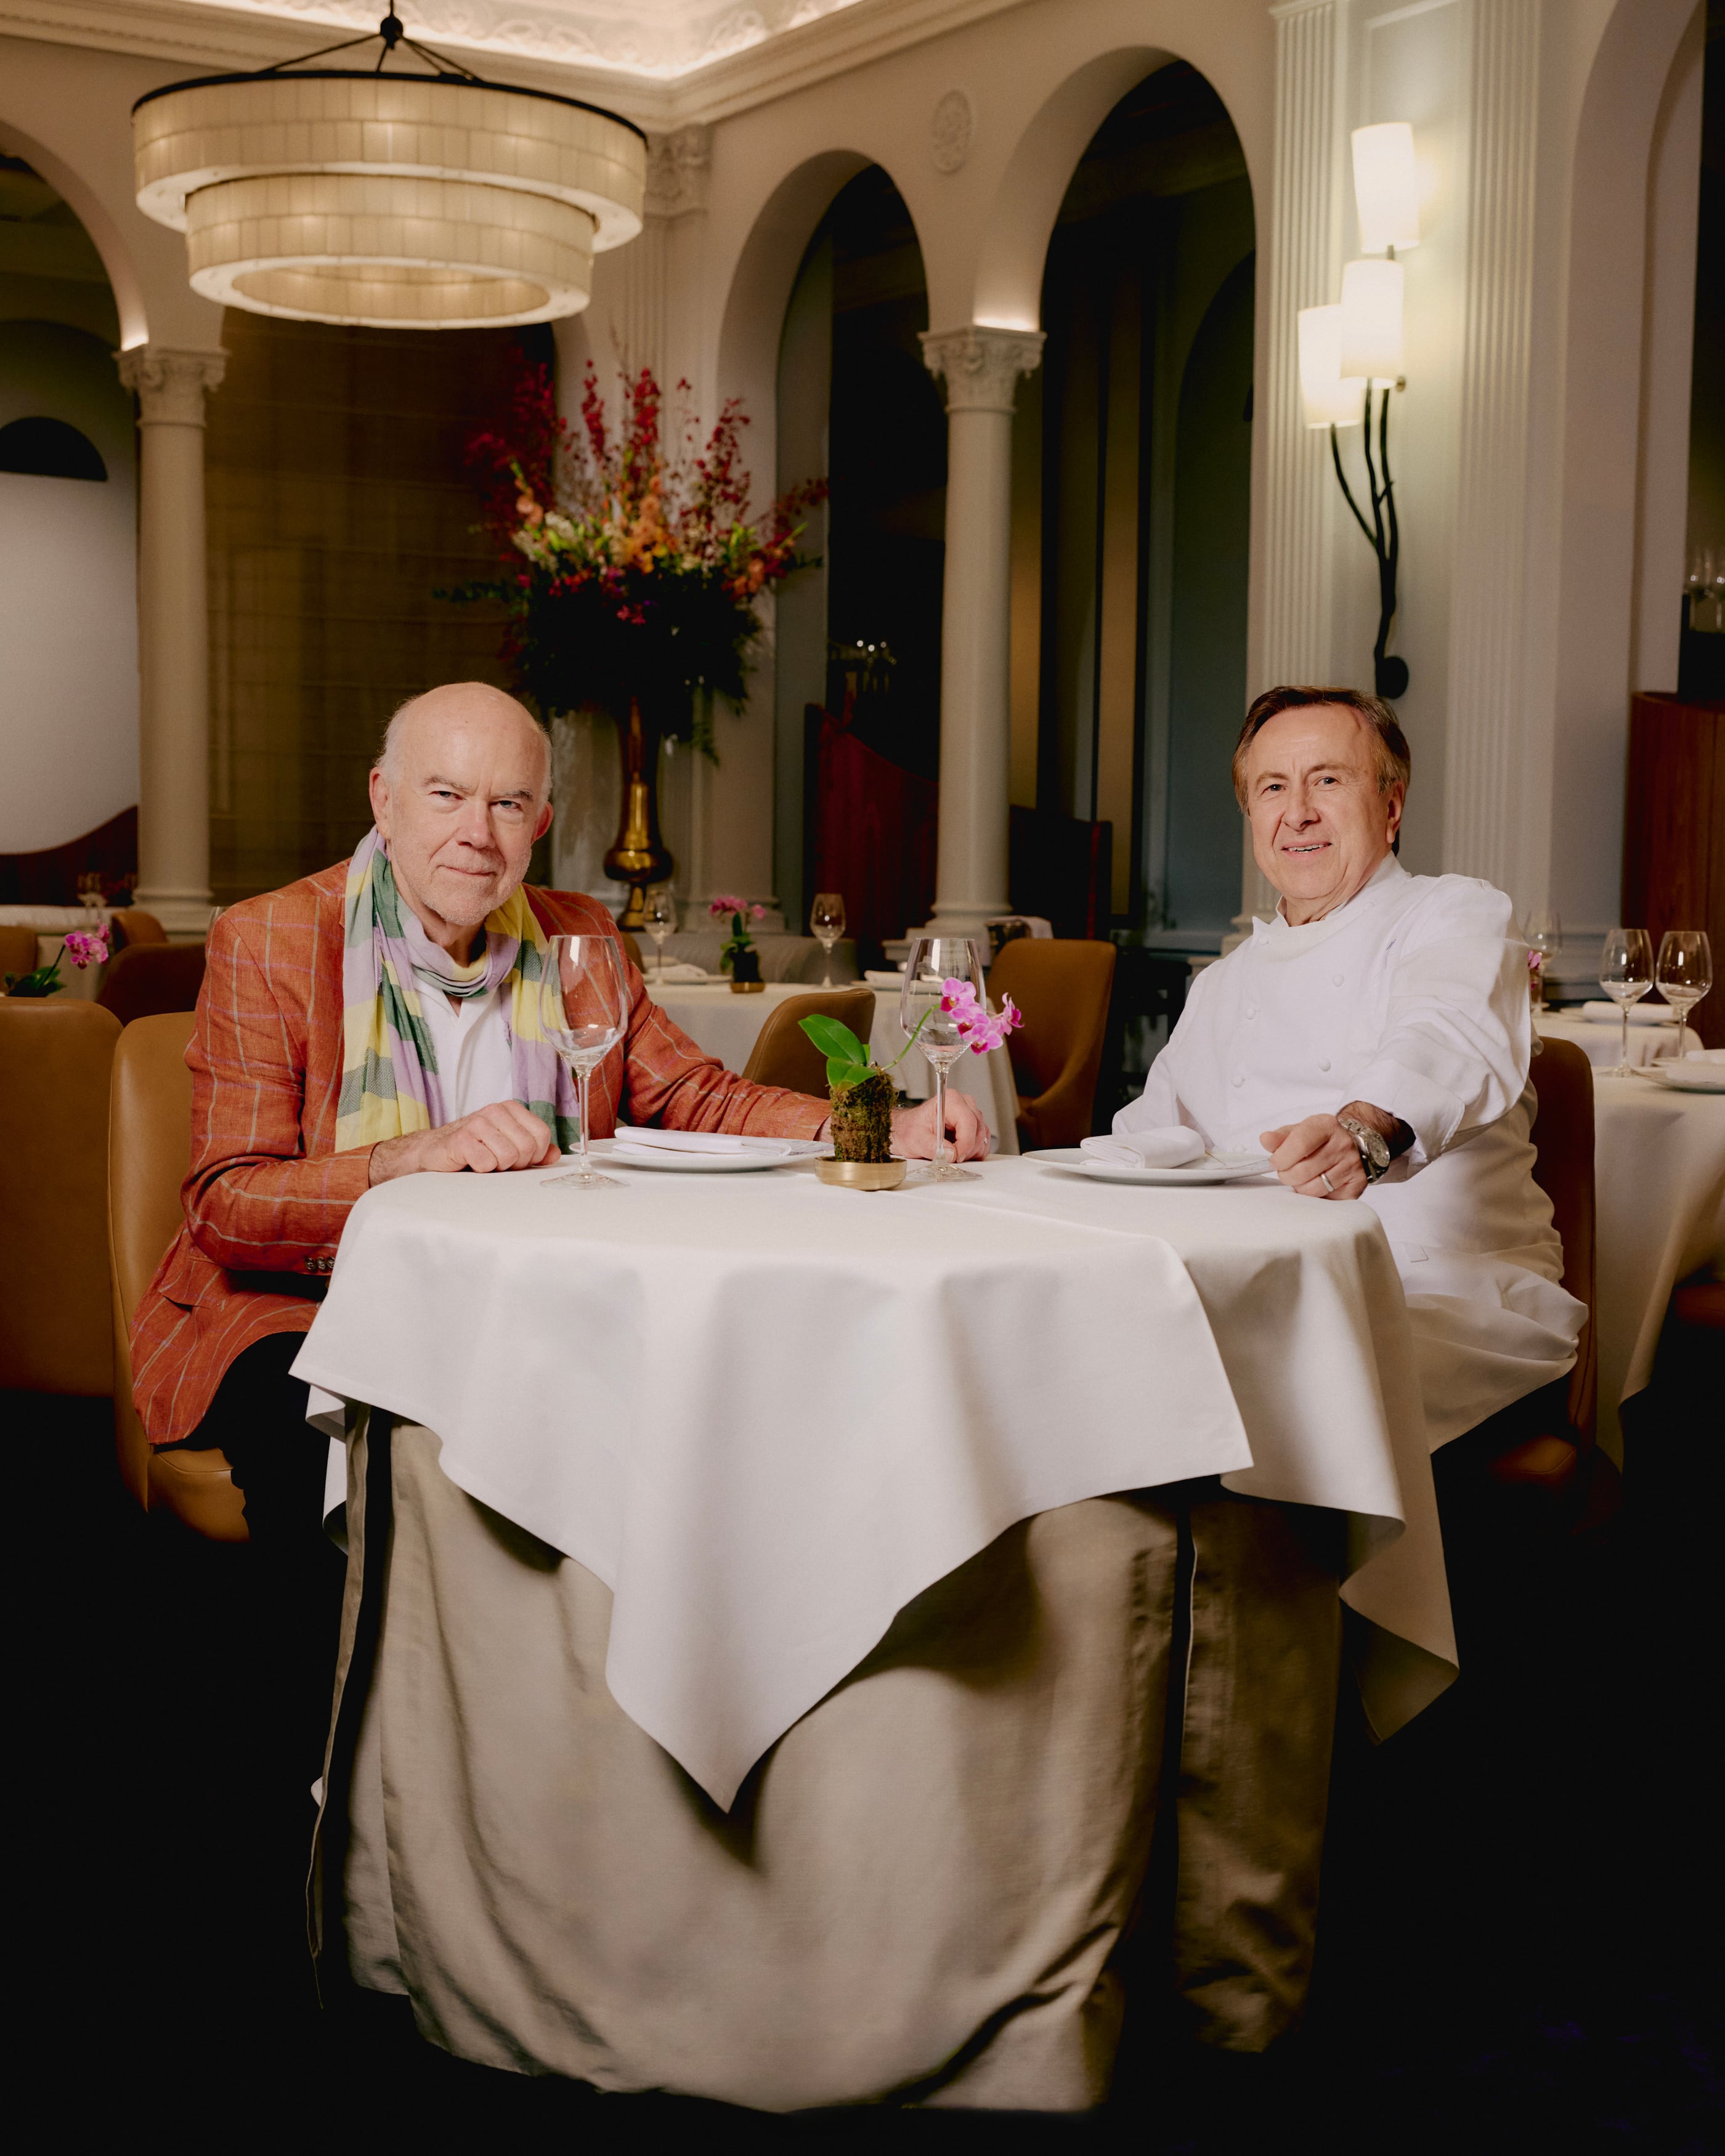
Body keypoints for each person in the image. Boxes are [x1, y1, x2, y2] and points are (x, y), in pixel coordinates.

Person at [135, 683, 988, 1756]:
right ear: (383, 799)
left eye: (508, 803)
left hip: (531, 1306)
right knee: (341, 1481)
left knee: (690, 1434)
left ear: (542, 821)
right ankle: (337, 1783)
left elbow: (700, 1098)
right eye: (445, 794)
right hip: (303, 1308)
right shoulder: (272, 940)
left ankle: (575, 1759)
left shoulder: (579, 936)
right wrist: (407, 1160)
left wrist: (881, 1124)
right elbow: (228, 1204)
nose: (475, 833)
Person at [1116, 684, 1585, 1450]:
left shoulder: (1453, 914)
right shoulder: (1223, 981)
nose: (1296, 811)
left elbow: (1447, 1034)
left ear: (1391, 807)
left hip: (1443, 1294)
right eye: (1272, 787)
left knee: (1253, 1401)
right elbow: (1144, 1143)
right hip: (1259, 1293)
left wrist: (1361, 1132)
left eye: (1327, 780)